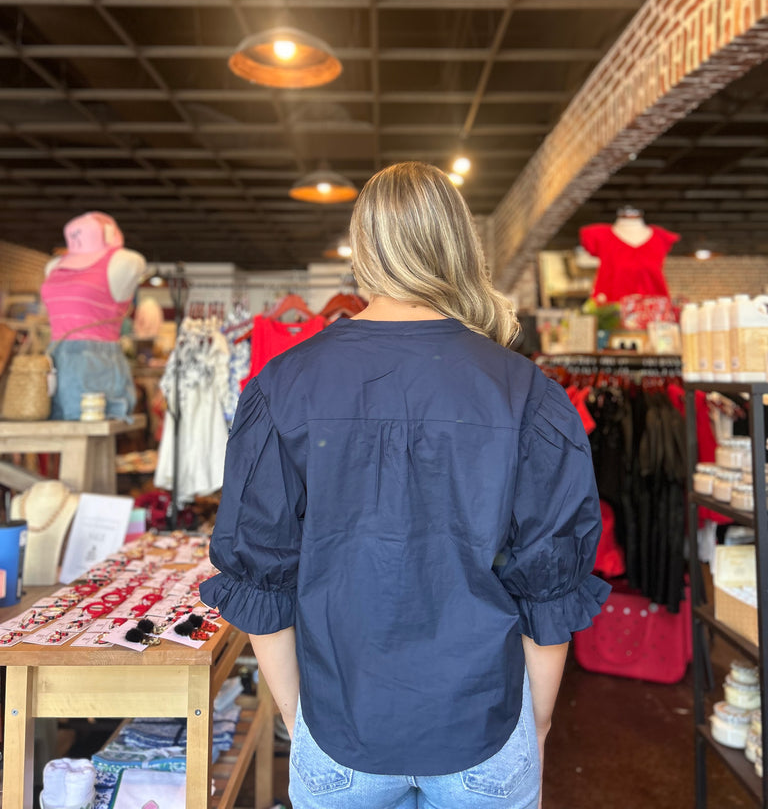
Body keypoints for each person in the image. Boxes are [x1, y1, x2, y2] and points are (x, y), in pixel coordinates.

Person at [200, 162, 609, 809]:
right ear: (456, 247)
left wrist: (296, 715)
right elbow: (550, 582)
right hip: (485, 724)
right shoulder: (527, 393)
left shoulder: (284, 385)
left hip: (341, 724)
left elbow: (260, 576)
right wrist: (537, 723)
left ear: (364, 249)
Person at [40, 211, 145, 419]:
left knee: (92, 440)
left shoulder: (124, 262)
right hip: (54, 363)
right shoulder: (53, 266)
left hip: (96, 367)